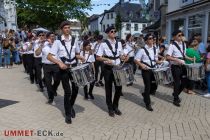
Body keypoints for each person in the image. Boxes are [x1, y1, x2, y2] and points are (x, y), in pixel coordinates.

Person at [47, 21, 85, 124]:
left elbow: (76, 54)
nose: (67, 29)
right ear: (62, 30)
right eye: (65, 28)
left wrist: (80, 56)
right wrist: (59, 63)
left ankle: (70, 105)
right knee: (67, 92)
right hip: (63, 69)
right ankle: (68, 114)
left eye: (69, 27)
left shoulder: (74, 40)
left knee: (76, 89)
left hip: (74, 68)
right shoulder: (58, 41)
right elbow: (49, 56)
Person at [96, 26, 127, 117]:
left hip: (118, 67)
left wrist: (123, 57)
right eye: (112, 31)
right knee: (108, 89)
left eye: (115, 31)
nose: (114, 32)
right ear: (108, 33)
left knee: (119, 88)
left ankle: (115, 106)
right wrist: (106, 59)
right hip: (108, 68)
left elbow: (120, 55)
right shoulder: (103, 44)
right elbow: (98, 57)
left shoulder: (119, 43)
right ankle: (110, 108)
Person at [134, 33, 162, 111]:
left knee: (155, 85)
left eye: (153, 38)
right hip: (146, 70)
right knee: (147, 86)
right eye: (150, 38)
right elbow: (136, 60)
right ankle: (148, 104)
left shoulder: (155, 49)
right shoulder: (142, 50)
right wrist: (141, 65)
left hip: (153, 69)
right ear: (146, 40)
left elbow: (155, 59)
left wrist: (160, 62)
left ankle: (145, 95)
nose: (152, 39)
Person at [166, 30, 194, 107]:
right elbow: (167, 56)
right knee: (177, 82)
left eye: (181, 35)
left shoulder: (184, 44)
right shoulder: (172, 45)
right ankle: (175, 99)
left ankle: (176, 93)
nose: (181, 36)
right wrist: (176, 60)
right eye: (179, 35)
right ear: (174, 37)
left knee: (185, 81)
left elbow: (183, 55)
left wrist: (189, 58)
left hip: (183, 65)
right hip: (175, 66)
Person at [36, 32, 60, 104]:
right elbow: (37, 53)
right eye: (50, 36)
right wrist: (41, 45)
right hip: (46, 66)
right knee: (48, 83)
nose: (52, 37)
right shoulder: (44, 45)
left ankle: (54, 89)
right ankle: (50, 98)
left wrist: (52, 44)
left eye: (53, 36)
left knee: (57, 80)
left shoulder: (57, 44)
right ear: (47, 38)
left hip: (56, 65)